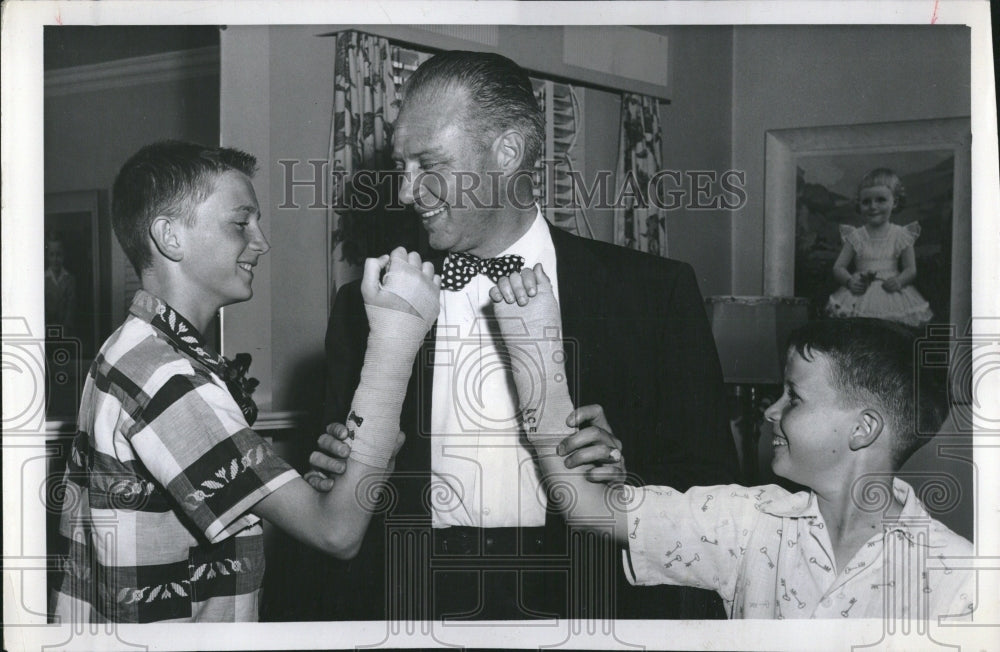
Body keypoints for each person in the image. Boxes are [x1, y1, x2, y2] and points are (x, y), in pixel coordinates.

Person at [308, 50, 739, 621]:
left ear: (507, 152)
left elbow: (714, 489)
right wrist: (334, 466)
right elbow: (343, 492)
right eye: (401, 167)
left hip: (591, 596)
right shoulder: (367, 304)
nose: (408, 193)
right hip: (413, 597)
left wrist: (625, 477)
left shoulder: (651, 293)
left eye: (429, 165)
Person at [49, 140, 440, 623]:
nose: (261, 241)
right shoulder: (167, 377)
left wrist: (315, 489)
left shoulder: (133, 352)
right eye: (240, 223)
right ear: (170, 237)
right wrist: (393, 345)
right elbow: (337, 533)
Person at [491, 269, 974, 620]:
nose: (770, 411)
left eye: (795, 398)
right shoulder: (746, 521)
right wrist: (539, 371)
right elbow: (590, 510)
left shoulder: (959, 577)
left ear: (862, 429)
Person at [826, 168, 933, 327]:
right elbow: (839, 267)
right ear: (859, 204)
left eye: (881, 200)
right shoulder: (856, 236)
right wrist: (849, 282)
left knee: (890, 332)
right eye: (866, 202)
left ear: (894, 202)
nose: (873, 206)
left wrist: (899, 281)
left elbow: (911, 269)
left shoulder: (901, 234)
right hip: (859, 294)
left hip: (892, 293)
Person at [44, 234, 77, 335]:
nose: (55, 259)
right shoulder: (43, 279)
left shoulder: (69, 279)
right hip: (46, 330)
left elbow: (71, 307)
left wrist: (65, 328)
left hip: (65, 331)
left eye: (59, 255)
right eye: (52, 255)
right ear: (47, 256)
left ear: (64, 256)